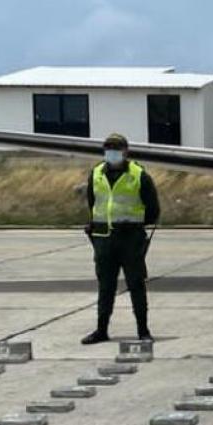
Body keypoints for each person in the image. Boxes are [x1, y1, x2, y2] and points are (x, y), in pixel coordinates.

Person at [82, 133, 160, 345]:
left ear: (126, 151)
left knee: (136, 284)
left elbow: (153, 209)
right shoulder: (96, 173)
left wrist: (134, 225)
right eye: (108, 148)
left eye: (116, 148)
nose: (112, 152)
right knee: (105, 286)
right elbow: (93, 203)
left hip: (130, 239)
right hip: (103, 238)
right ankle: (101, 330)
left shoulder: (139, 174)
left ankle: (143, 331)